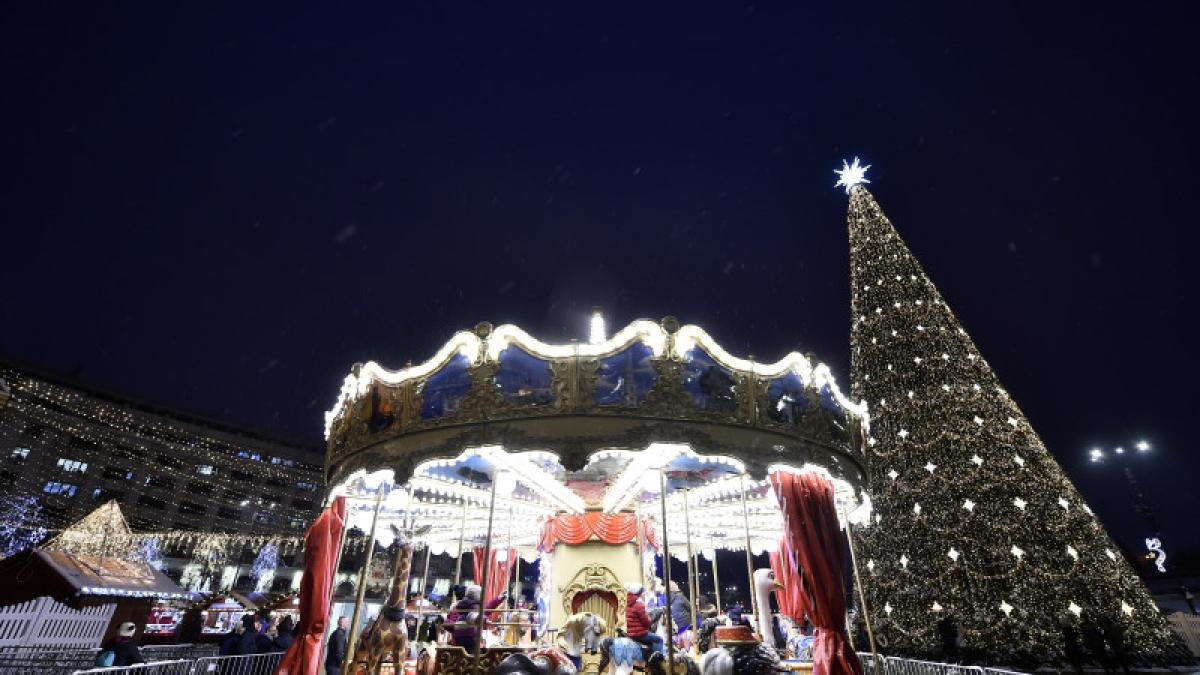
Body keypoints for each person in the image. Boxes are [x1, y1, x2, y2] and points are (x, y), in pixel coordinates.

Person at [624, 583, 665, 655]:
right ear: (639, 593)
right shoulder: (639, 605)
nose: (643, 593)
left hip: (629, 633)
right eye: (642, 592)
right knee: (659, 640)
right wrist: (652, 619)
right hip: (639, 634)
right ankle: (656, 658)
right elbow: (647, 623)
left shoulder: (626, 603)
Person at [449, 584, 482, 653]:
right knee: (473, 651)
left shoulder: (460, 604)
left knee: (460, 651)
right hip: (469, 631)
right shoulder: (474, 604)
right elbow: (473, 616)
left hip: (458, 630)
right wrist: (483, 619)